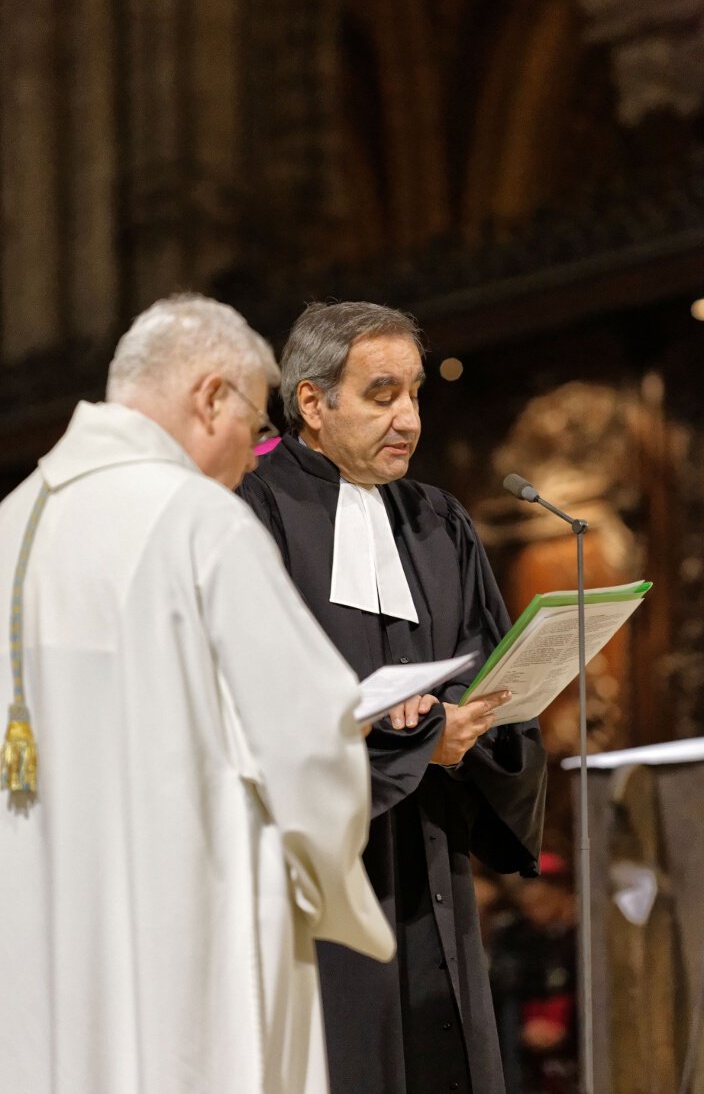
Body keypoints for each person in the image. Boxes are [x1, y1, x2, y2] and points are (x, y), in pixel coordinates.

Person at [0, 294, 394, 1094]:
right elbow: (311, 736)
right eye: (255, 430)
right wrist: (333, 884)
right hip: (187, 926)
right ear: (210, 395)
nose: (254, 460)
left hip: (38, 940)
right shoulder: (196, 521)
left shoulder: (10, 523)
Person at [238, 300, 547, 1094]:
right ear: (312, 401)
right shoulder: (252, 514)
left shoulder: (437, 522)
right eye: (381, 395)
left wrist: (485, 726)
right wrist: (411, 744)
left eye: (413, 394)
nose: (407, 418)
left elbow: (491, 680)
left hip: (433, 864)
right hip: (319, 877)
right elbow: (252, 712)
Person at [490, 852, 578, 1094]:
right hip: (523, 1058)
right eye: (528, 891)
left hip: (572, 1053)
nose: (534, 895)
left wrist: (566, 1032)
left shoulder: (579, 938)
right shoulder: (512, 936)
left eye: (547, 890)